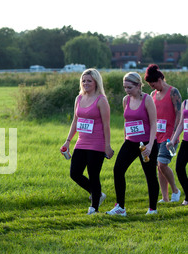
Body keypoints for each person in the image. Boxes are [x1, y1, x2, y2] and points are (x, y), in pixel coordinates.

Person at [61, 68, 114, 215]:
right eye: (83, 80)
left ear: (96, 82)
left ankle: (94, 207)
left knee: (93, 175)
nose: (85, 83)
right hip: (81, 142)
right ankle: (97, 194)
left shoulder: (101, 100)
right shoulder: (79, 98)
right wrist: (68, 141)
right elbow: (75, 121)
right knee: (75, 173)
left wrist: (107, 146)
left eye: (89, 81)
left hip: (97, 144)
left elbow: (106, 125)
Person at [107, 72, 159, 216]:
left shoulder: (147, 100)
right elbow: (127, 121)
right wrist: (125, 139)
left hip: (146, 143)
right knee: (118, 170)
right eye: (125, 87)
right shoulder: (126, 100)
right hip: (130, 142)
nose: (127, 90)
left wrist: (150, 146)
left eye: (129, 87)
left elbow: (154, 123)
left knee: (150, 175)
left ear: (138, 86)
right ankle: (120, 207)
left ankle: (152, 209)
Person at [145, 64, 182, 203]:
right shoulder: (152, 95)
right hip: (156, 136)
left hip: (170, 136)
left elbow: (179, 114)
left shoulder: (174, 92)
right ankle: (165, 197)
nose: (152, 87)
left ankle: (175, 190)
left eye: (153, 84)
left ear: (160, 79)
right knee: (158, 167)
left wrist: (174, 136)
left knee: (162, 164)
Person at [168, 98, 188, 206]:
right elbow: (181, 123)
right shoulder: (185, 103)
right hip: (186, 142)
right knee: (179, 168)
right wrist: (173, 140)